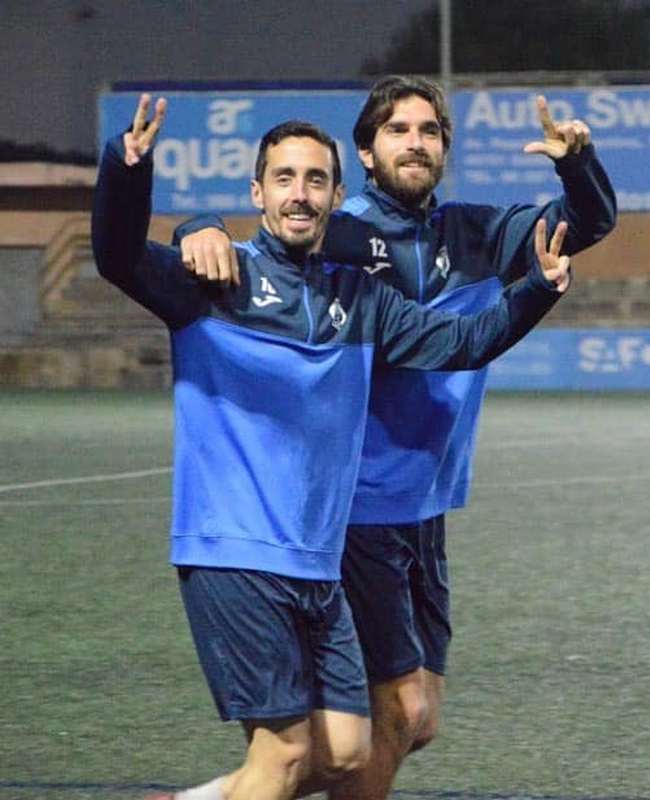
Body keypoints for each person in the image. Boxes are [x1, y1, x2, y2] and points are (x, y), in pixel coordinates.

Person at [92, 93, 572, 800]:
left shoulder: (362, 299)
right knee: (285, 757)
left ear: (336, 198)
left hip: (316, 558)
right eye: (284, 178)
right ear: (258, 192)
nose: (299, 193)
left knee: (347, 749)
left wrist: (536, 290)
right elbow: (117, 257)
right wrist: (128, 171)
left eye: (315, 180)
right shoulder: (213, 285)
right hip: (234, 548)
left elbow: (463, 342)